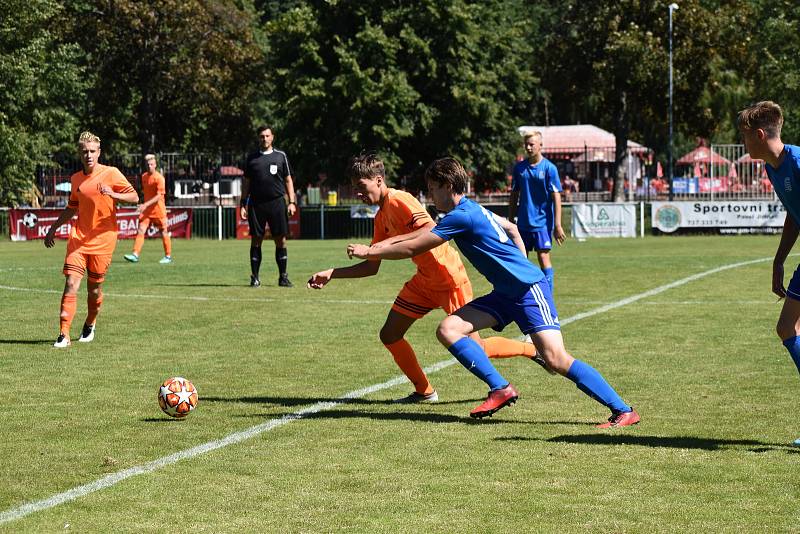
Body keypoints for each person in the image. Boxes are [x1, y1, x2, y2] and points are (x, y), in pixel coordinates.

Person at [348, 157, 640, 426]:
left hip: (527, 291)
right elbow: (512, 228)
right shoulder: (472, 208)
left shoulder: (460, 216)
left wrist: (369, 250)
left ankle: (623, 410)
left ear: (449, 186)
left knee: (556, 359)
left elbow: (413, 245)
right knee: (449, 329)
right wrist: (518, 263)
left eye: (433, 189)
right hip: (505, 293)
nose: (430, 197)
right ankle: (501, 388)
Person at [308, 154, 545, 403]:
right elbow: (371, 266)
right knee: (389, 334)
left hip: (448, 277)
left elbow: (428, 228)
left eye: (361, 186)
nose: (358, 192)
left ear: (378, 180)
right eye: (355, 187)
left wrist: (379, 246)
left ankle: (530, 350)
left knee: (479, 348)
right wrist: (333, 273)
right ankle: (424, 391)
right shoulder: (380, 217)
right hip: (425, 281)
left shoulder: (400, 200)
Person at [738, 100, 800, 447]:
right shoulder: (774, 167)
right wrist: (779, 260)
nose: (744, 144)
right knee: (788, 327)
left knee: (789, 327)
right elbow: (795, 213)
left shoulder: (798, 162)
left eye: (746, 137)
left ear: (760, 135)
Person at [44, 131, 139, 347]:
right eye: (85, 151)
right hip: (79, 239)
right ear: (80, 153)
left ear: (99, 152)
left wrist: (115, 195)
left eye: (92, 151)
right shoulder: (76, 178)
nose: (88, 155)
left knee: (94, 289)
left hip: (104, 241)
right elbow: (71, 207)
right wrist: (53, 229)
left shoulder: (112, 173)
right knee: (70, 283)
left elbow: (134, 197)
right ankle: (64, 334)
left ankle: (90, 322)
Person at [240, 125, 297, 287]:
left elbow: (288, 180)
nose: (264, 139)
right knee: (256, 240)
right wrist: (243, 203)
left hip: (277, 203)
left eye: (267, 136)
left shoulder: (281, 156)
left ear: (272, 137)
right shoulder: (251, 158)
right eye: (261, 136)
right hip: (256, 204)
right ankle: (255, 277)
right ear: (258, 138)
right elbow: (246, 183)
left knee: (281, 240)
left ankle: (283, 277)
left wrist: (292, 202)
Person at [509, 130, 566, 291]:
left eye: (531, 144)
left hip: (542, 223)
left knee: (543, 256)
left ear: (540, 145)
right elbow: (514, 195)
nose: (528, 147)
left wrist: (558, 225)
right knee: (521, 259)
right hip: (523, 223)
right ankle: (522, 295)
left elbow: (557, 197)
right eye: (526, 144)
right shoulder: (519, 168)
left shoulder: (549, 168)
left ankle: (547, 295)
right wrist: (510, 219)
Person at [124, 154, 172, 264]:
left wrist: (145, 205)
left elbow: (159, 196)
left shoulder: (159, 178)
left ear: (155, 165)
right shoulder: (144, 176)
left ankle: (168, 256)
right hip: (147, 211)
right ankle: (135, 254)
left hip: (158, 210)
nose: (149, 166)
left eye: (151, 164)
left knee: (164, 232)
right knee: (141, 230)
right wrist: (143, 204)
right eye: (148, 164)